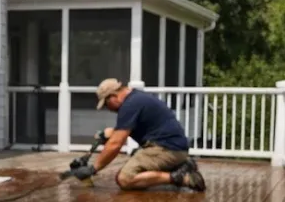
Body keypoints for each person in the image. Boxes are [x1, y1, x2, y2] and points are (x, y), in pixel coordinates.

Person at [71, 78, 205, 191]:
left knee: (125, 179)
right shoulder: (136, 98)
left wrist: (93, 169)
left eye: (106, 104)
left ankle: (181, 178)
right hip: (174, 148)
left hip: (166, 149)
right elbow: (122, 132)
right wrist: (107, 134)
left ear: (113, 97)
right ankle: (182, 165)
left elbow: (116, 144)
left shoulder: (129, 106)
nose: (109, 109)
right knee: (136, 163)